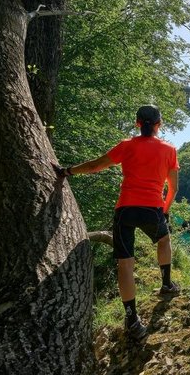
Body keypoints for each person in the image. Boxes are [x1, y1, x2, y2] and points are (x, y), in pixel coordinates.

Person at [54, 104, 180, 340]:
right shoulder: (169, 150)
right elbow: (173, 188)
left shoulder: (126, 146)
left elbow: (94, 166)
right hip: (152, 207)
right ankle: (166, 284)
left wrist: (67, 171)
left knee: (125, 264)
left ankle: (132, 319)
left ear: (137, 123)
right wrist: (165, 210)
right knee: (163, 240)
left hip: (125, 209)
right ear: (159, 125)